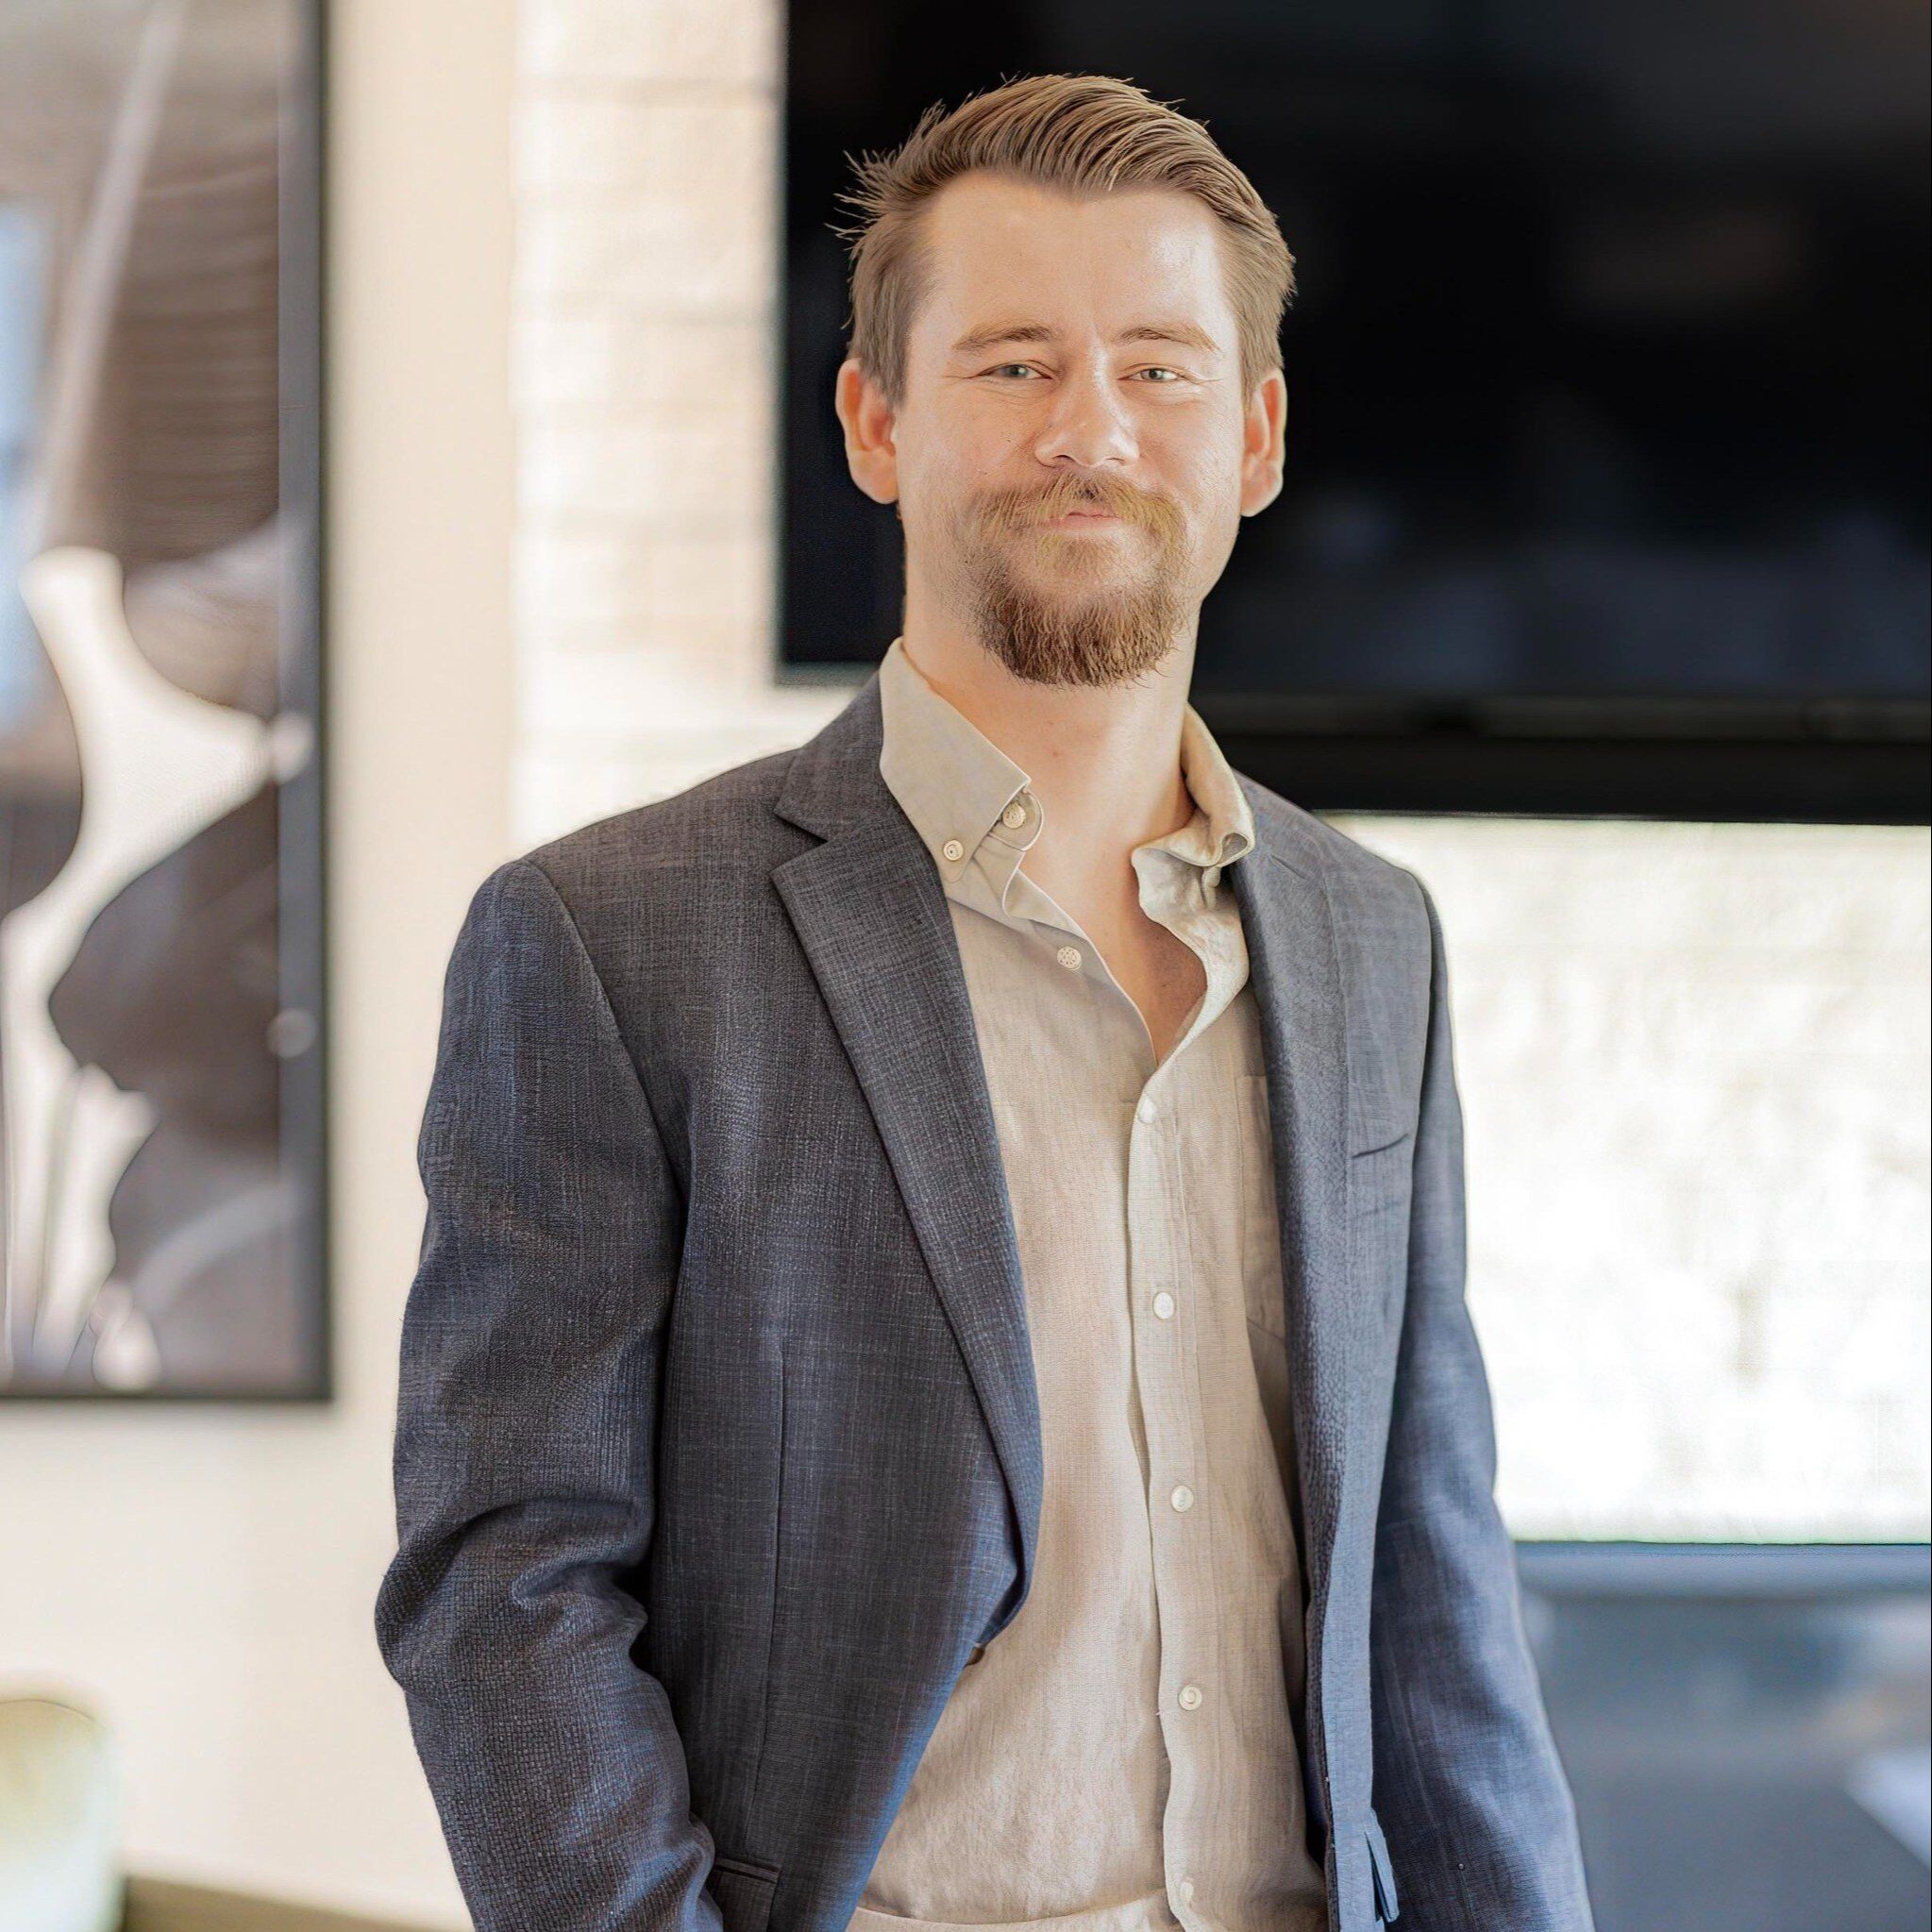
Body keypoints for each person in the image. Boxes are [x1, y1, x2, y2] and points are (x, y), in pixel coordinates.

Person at [375, 71, 1596, 1932]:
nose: (1088, 430)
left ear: (1256, 437)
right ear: (875, 423)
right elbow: (505, 1585)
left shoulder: (1372, 942)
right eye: (1014, 364)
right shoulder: (610, 941)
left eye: (1159, 368)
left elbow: (1430, 1589)